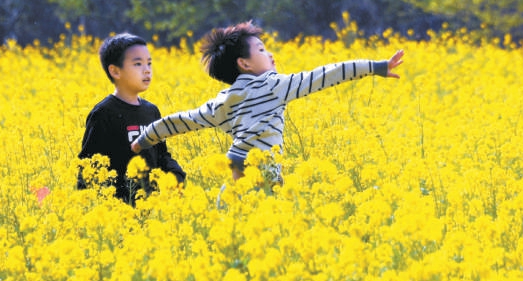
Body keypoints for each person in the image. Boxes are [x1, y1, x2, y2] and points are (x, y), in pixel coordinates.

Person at [130, 21, 403, 184]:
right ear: (244, 63)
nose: (270, 54)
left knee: (239, 218)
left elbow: (182, 121)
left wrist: (145, 138)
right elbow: (325, 75)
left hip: (237, 165)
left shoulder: (223, 101)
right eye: (261, 49)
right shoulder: (274, 86)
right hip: (265, 169)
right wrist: (375, 66)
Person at [78, 33, 185, 204]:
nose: (147, 70)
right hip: (117, 210)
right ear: (115, 71)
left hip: (153, 206)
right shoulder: (104, 113)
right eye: (137, 64)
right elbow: (88, 165)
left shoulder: (151, 112)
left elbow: (161, 154)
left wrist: (176, 175)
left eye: (149, 63)